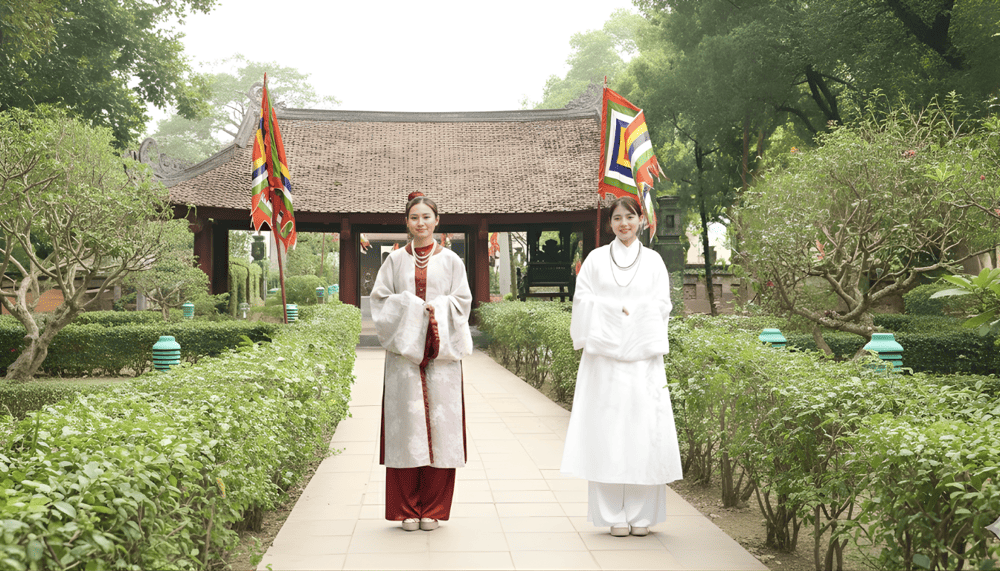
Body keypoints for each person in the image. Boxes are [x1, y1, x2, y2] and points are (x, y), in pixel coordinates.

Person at [560, 195, 683, 537]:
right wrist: (614, 312)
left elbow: (662, 304)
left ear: (641, 220)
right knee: (607, 432)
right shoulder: (597, 260)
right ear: (609, 223)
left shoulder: (654, 261)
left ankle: (643, 516)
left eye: (630, 217)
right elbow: (582, 300)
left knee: (644, 431)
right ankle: (613, 513)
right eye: (617, 218)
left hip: (643, 358)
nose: (624, 224)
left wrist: (637, 314)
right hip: (604, 359)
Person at [369, 192, 474, 532]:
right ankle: (404, 509)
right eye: (414, 217)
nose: (421, 223)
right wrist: (412, 308)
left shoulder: (453, 261)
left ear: (437, 220)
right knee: (405, 428)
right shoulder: (395, 261)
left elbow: (462, 301)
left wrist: (436, 310)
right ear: (407, 222)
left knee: (441, 431)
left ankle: (433, 508)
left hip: (442, 359)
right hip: (404, 357)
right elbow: (380, 300)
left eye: (426, 217)